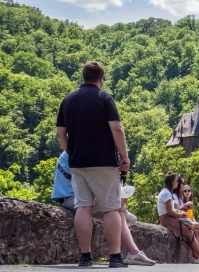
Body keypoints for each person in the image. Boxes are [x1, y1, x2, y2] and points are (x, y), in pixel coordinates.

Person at [56, 61, 130, 268]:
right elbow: (117, 129)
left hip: (77, 163)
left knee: (83, 206)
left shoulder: (68, 100)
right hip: (104, 161)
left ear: (84, 76)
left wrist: (69, 151)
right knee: (111, 209)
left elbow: (60, 133)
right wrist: (124, 158)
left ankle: (85, 256)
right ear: (101, 78)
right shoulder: (104, 99)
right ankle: (115, 256)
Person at [52, 150, 156, 266]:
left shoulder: (73, 151)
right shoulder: (86, 154)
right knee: (116, 209)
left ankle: (130, 250)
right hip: (71, 198)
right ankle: (133, 252)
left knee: (118, 208)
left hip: (66, 197)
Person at [158, 173, 199, 264]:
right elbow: (170, 211)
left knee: (192, 229)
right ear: (172, 182)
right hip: (166, 219)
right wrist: (181, 214)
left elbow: (172, 210)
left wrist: (181, 213)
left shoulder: (167, 192)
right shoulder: (167, 193)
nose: (177, 183)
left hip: (169, 218)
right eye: (176, 181)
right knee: (188, 230)